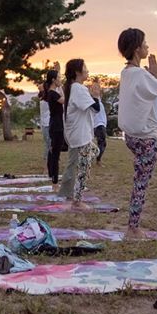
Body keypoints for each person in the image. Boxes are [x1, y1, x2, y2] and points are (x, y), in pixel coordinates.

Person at [117, 28, 157, 239]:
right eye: (145, 43)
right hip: (146, 138)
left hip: (131, 136)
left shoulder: (126, 73)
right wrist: (156, 72)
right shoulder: (141, 74)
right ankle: (133, 228)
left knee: (138, 180)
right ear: (137, 48)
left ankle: (133, 225)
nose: (148, 47)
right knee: (140, 183)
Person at [58, 59, 102, 209]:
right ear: (78, 72)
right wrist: (96, 95)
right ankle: (77, 201)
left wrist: (93, 95)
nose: (88, 70)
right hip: (80, 134)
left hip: (78, 133)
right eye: (85, 68)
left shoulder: (74, 88)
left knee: (94, 152)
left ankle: (72, 192)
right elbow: (95, 108)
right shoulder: (78, 88)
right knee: (84, 168)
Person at [44, 70, 65, 192]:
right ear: (53, 79)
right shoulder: (52, 93)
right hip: (56, 126)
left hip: (57, 125)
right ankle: (55, 183)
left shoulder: (52, 93)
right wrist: (62, 87)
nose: (60, 80)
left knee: (54, 153)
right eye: (58, 77)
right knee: (55, 155)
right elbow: (64, 100)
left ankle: (53, 176)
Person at [37, 83, 51, 177]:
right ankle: (46, 167)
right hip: (47, 125)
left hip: (47, 124)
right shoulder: (44, 101)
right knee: (48, 146)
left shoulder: (44, 100)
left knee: (50, 146)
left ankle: (49, 166)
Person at [92, 83, 108, 166]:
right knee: (102, 142)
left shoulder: (99, 100)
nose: (96, 90)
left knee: (101, 143)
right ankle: (97, 160)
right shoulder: (93, 100)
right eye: (94, 88)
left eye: (97, 88)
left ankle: (97, 159)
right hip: (98, 125)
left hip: (102, 124)